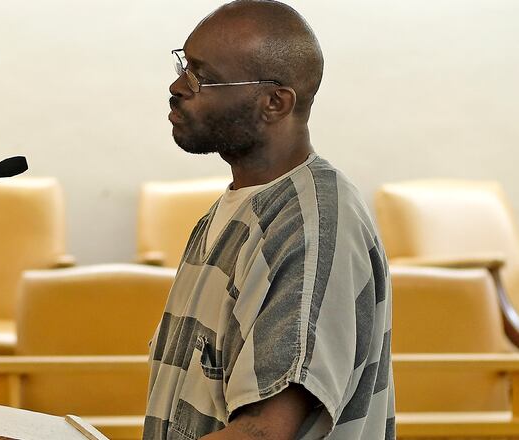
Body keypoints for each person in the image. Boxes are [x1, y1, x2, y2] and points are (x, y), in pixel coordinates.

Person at [144, 1, 394, 439]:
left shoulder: (309, 225)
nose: (177, 86)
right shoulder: (233, 209)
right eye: (184, 65)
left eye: (202, 76)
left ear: (275, 103)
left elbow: (263, 432)